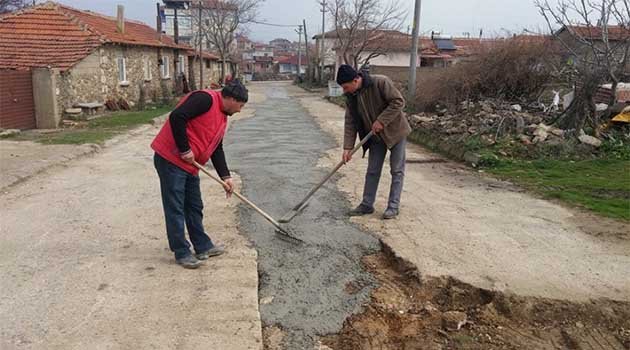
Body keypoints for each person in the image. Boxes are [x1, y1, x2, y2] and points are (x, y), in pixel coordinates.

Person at [151, 80, 248, 269]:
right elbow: (177, 116)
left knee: (194, 206)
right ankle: (181, 252)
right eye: (240, 105)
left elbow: (216, 147)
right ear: (230, 98)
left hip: (190, 166)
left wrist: (225, 177)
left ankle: (202, 246)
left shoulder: (222, 116)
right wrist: (184, 149)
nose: (240, 110)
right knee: (176, 208)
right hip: (171, 160)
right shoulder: (205, 99)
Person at [336, 64, 411, 219]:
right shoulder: (352, 97)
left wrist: (381, 121)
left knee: (396, 170)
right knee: (372, 170)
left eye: (346, 86)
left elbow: (398, 101)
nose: (344, 90)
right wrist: (347, 148)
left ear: (356, 80)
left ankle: (393, 207)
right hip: (375, 136)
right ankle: (366, 205)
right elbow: (350, 121)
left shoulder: (380, 82)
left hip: (396, 132)